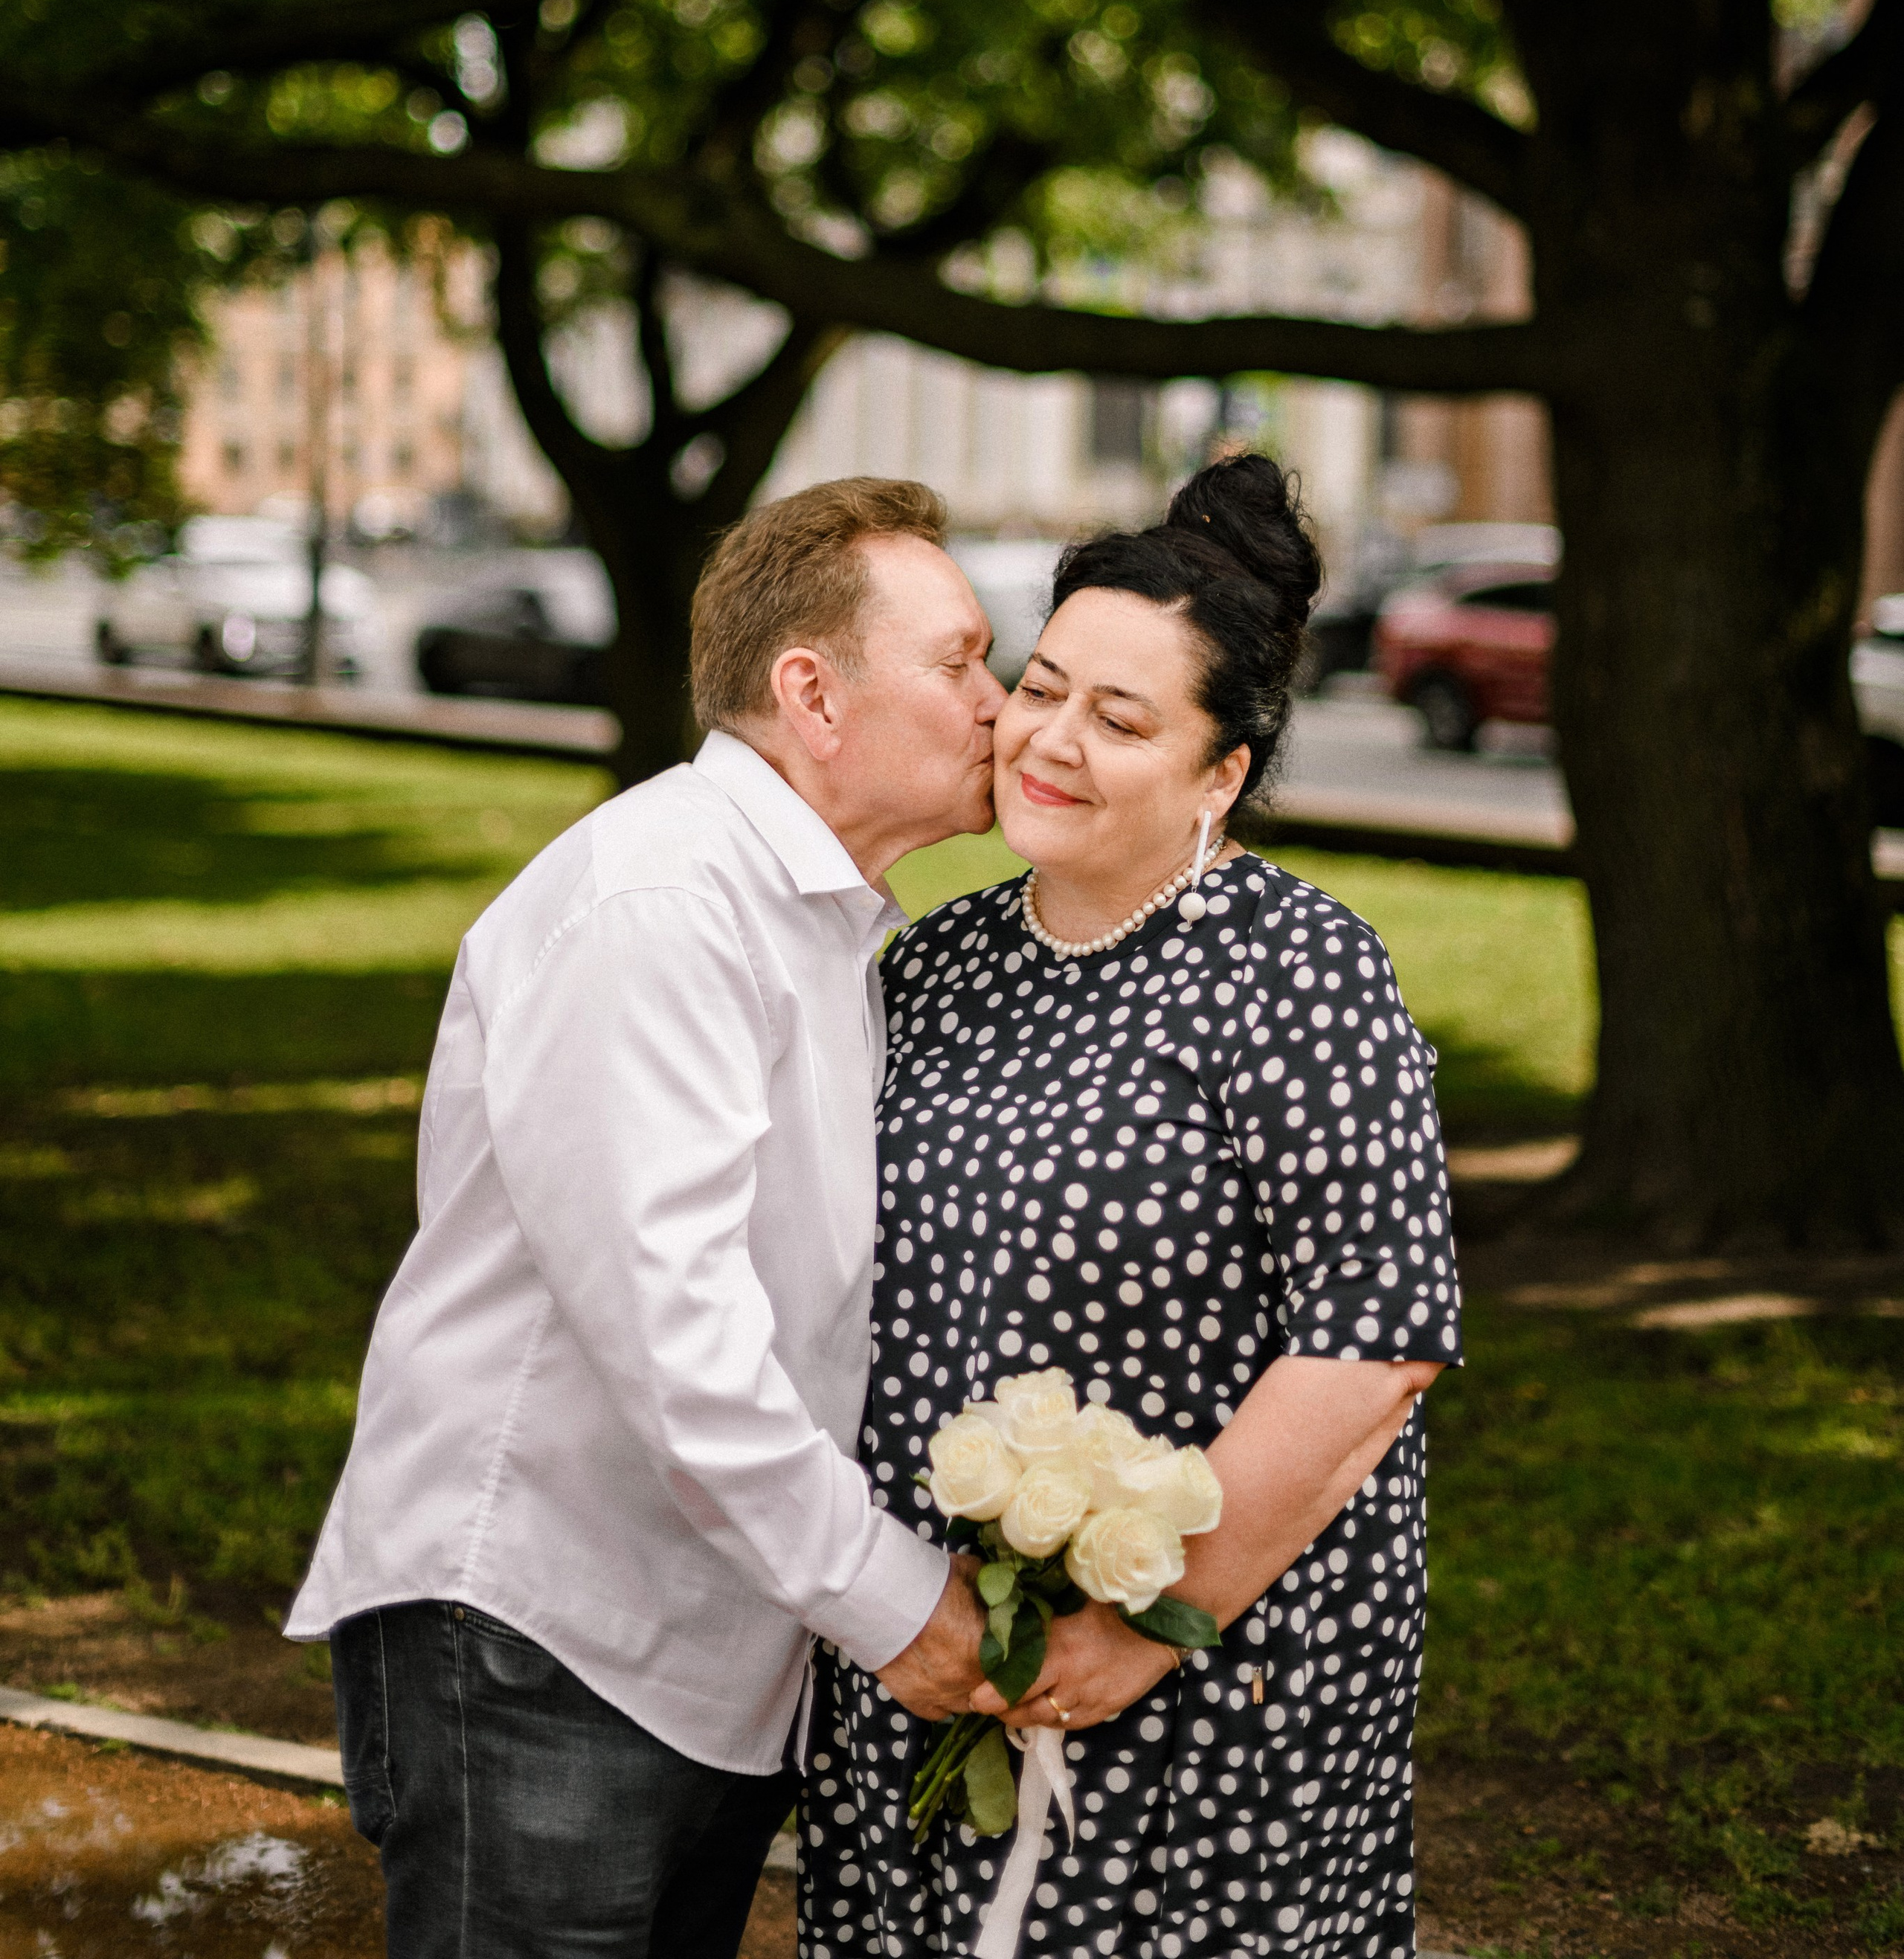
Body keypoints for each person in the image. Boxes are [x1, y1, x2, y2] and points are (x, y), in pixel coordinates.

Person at [289, 477, 998, 1959]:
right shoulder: (661, 902)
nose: (1000, 705)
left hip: (702, 1656)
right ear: (811, 693)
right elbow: (674, 1334)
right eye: (962, 660)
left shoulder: (822, 921)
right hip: (548, 1636)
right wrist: (896, 1603)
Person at [801, 453, 1461, 1959]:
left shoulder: (1295, 973)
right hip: (937, 1649)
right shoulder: (932, 962)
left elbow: (1374, 1342)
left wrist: (1131, 1632)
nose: (1050, 741)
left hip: (1209, 1666)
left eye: (1118, 718)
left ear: (1219, 772)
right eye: (1039, 690)